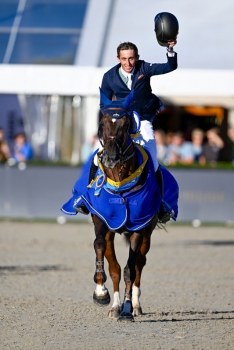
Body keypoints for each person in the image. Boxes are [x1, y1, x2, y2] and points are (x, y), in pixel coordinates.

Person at [100, 40, 178, 222]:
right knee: (99, 155)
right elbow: (103, 103)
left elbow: (170, 66)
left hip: (143, 120)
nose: (128, 63)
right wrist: (113, 118)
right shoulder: (109, 76)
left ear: (137, 57)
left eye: (132, 58)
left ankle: (161, 203)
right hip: (120, 123)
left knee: (153, 160)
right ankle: (88, 193)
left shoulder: (144, 69)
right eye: (124, 59)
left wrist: (170, 49)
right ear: (118, 58)